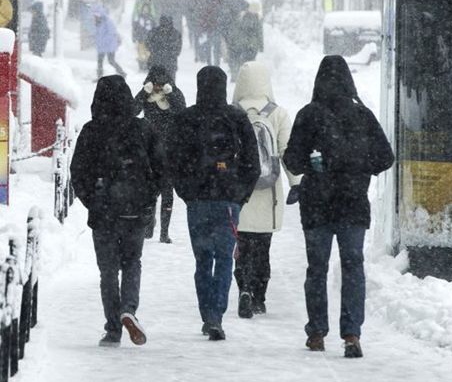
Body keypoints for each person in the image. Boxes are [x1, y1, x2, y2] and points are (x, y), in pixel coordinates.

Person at [282, 55, 394, 358]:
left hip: (317, 206)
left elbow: (291, 160)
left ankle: (317, 332)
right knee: (353, 268)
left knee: (316, 269)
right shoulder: (363, 116)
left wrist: (314, 164)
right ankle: (352, 333)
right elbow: (386, 157)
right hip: (353, 205)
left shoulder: (309, 115)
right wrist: (358, 166)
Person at [71, 75, 163, 348]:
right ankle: (129, 310)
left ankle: (113, 328)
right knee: (133, 262)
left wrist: (93, 201)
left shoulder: (91, 130)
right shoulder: (143, 129)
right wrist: (147, 198)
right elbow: (161, 168)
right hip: (134, 210)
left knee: (108, 271)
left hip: (104, 214)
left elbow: (78, 172)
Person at [168, 65, 259, 341]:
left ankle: (207, 314)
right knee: (224, 259)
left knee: (202, 259)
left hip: (198, 201)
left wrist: (187, 192)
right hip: (228, 201)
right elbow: (253, 164)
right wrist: (239, 196)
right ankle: (217, 315)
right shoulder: (236, 118)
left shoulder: (186, 119)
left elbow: (172, 161)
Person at [230, 61, 298, 319]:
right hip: (268, 193)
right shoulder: (277, 114)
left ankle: (243, 287)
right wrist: (297, 182)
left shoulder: (233, 112)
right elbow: (287, 152)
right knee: (262, 249)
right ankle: (259, 296)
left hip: (240, 192)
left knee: (242, 247)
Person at [134, 65, 186, 244]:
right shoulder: (146, 95)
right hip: (148, 149)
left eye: (160, 84)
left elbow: (182, 112)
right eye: (155, 83)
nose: (157, 87)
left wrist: (170, 94)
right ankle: (149, 226)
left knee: (167, 191)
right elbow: (132, 111)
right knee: (149, 190)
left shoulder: (174, 94)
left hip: (170, 151)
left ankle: (164, 232)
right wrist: (143, 92)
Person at [226, 4, 263, 75]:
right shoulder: (257, 19)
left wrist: (233, 41)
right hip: (253, 45)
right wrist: (261, 46)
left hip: (243, 43)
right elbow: (260, 34)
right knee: (251, 61)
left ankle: (239, 74)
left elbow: (236, 31)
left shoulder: (242, 17)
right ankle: (249, 75)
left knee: (242, 60)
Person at [94, 13, 126, 78]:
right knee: (100, 60)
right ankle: (99, 76)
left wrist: (104, 41)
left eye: (96, 16)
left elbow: (111, 33)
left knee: (111, 61)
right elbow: (99, 34)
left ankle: (122, 73)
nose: (95, 18)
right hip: (102, 46)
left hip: (109, 46)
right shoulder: (98, 23)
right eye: (94, 17)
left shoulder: (107, 21)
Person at [132, 0, 158, 70]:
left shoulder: (151, 19)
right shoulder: (138, 19)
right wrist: (134, 36)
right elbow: (135, 28)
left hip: (149, 40)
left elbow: (154, 29)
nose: (145, 10)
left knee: (148, 53)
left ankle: (148, 66)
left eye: (146, 9)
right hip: (140, 39)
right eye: (144, 9)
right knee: (140, 53)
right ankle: (141, 65)